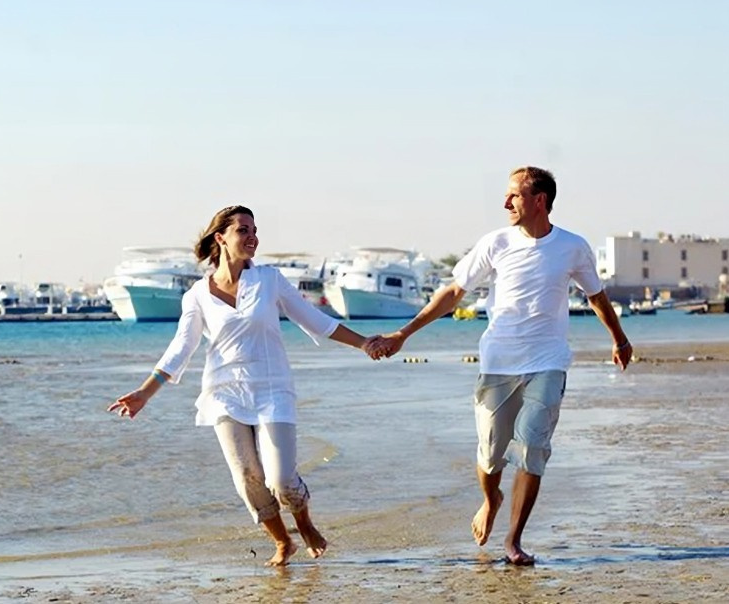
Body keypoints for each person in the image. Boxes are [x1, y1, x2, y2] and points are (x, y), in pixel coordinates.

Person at [369, 166, 632, 565]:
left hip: (548, 362)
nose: (505, 202)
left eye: (514, 195)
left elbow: (595, 296)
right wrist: (403, 334)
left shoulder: (573, 247)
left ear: (539, 201)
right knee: (491, 455)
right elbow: (453, 292)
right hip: (498, 362)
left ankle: (513, 540)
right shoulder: (496, 243)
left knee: (532, 447)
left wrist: (620, 339)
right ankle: (491, 498)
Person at [108, 205, 379, 567]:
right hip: (224, 394)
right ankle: (282, 541)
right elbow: (182, 347)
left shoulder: (269, 280)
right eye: (243, 230)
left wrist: (364, 343)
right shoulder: (197, 295)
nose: (252, 237)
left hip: (273, 389)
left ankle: (304, 523)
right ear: (220, 238)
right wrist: (145, 391)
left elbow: (315, 320)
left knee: (281, 479)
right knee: (248, 479)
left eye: (254, 230)